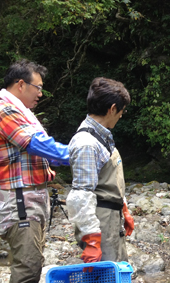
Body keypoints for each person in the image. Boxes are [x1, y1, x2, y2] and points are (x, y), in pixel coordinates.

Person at [0, 59, 70, 283]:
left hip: (31, 195)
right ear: (20, 84)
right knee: (28, 261)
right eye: (38, 87)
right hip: (19, 199)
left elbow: (36, 149)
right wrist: (78, 153)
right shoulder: (5, 111)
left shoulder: (20, 111)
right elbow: (36, 144)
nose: (40, 93)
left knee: (33, 256)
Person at [66, 77, 134, 263]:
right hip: (100, 221)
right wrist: (92, 241)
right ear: (112, 109)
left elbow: (108, 181)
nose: (121, 115)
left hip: (112, 216)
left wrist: (124, 209)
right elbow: (81, 195)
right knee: (104, 279)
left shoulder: (102, 136)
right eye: (121, 111)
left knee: (117, 271)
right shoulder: (86, 143)